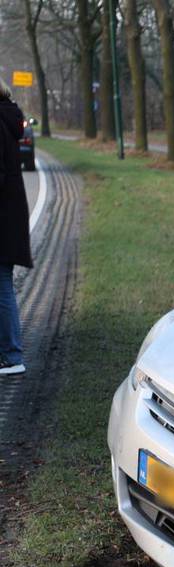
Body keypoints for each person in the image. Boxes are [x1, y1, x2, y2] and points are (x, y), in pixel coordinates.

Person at [0, 79, 33, 376]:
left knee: (2, 287)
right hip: (9, 218)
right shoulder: (7, 117)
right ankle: (9, 354)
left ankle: (12, 356)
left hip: (2, 221)